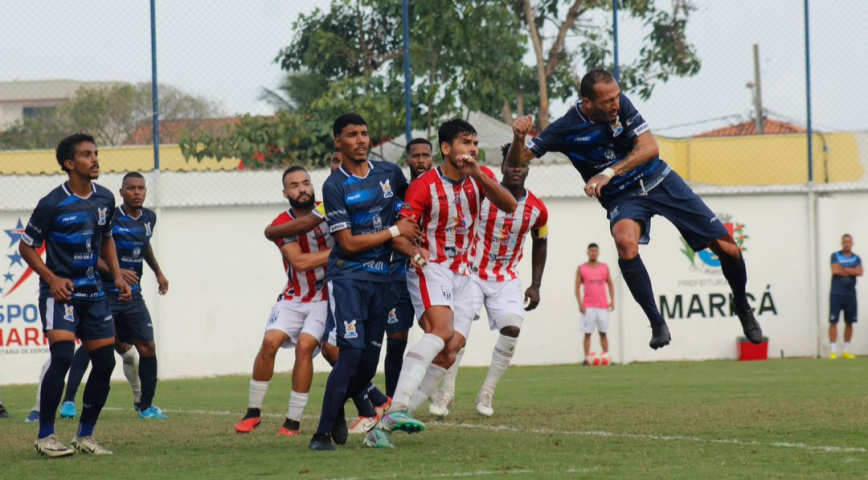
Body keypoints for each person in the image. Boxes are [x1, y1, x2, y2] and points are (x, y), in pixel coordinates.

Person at [507, 69, 763, 349]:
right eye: (607, 101)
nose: (615, 104)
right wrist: (519, 137)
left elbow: (650, 147)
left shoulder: (621, 105)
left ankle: (741, 303)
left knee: (730, 251)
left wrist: (609, 172)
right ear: (588, 103)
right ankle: (657, 323)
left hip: (660, 180)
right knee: (624, 242)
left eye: (616, 96)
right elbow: (518, 161)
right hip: (623, 197)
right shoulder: (565, 127)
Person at [366, 119, 517, 449]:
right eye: (465, 142)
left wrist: (477, 173)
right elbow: (399, 236)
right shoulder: (424, 186)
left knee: (449, 353)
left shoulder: (480, 177)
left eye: (475, 143)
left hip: (467, 274)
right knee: (442, 330)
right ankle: (401, 403)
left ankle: (385, 425)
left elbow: (510, 205)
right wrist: (414, 249)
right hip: (432, 268)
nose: (473, 149)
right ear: (447, 149)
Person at [309, 113, 419, 451]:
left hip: (383, 279)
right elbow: (348, 242)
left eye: (365, 133)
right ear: (338, 143)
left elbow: (406, 212)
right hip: (348, 278)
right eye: (352, 134)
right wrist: (395, 232)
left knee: (369, 363)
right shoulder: (334, 185)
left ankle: (337, 405)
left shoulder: (389, 173)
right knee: (351, 352)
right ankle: (321, 435)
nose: (361, 139)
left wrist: (413, 245)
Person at [20, 133, 131, 457]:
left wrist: (116, 274)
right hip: (61, 294)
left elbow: (107, 238)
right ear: (70, 164)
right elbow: (26, 246)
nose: (95, 159)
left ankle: (85, 436)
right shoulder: (51, 203)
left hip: (94, 292)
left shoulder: (106, 199)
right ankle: (45, 436)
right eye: (86, 154)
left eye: (96, 153)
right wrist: (52, 278)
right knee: (64, 357)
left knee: (105, 360)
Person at [429, 142, 548, 418]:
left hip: (505, 277)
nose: (517, 169)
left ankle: (487, 391)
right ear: (503, 166)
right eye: (512, 164)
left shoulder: (537, 209)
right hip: (470, 272)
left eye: (522, 165)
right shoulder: (482, 193)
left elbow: (541, 242)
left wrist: (536, 284)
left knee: (513, 328)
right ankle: (446, 391)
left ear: (528, 169)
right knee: (456, 336)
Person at [234, 166, 333, 437]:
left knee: (304, 347)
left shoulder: (330, 208)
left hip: (325, 297)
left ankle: (293, 422)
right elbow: (300, 263)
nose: (302, 189)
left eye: (306, 183)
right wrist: (339, 250)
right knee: (269, 343)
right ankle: (253, 412)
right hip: (293, 295)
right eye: (294, 185)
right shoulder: (281, 223)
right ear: (285, 192)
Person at [96, 172, 169, 419]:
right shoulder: (111, 218)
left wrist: (158, 271)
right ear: (122, 192)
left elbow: (144, 243)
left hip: (133, 295)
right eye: (131, 188)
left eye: (141, 188)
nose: (137, 192)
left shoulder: (150, 217)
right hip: (105, 294)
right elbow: (95, 253)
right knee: (104, 348)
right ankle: (68, 401)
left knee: (147, 345)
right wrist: (117, 273)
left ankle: (146, 406)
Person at [575, 243, 614, 364]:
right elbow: (577, 287)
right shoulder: (581, 268)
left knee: (603, 333)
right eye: (591, 251)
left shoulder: (604, 267)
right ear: (588, 253)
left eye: (595, 251)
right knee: (587, 333)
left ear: (598, 253)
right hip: (588, 306)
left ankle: (606, 357)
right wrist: (580, 303)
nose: (593, 253)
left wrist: (612, 300)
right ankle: (587, 359)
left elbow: (610, 284)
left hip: (602, 306)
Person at [829, 234, 861, 359]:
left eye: (849, 241)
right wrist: (851, 270)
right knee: (833, 321)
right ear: (841, 243)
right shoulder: (835, 256)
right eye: (845, 242)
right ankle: (833, 350)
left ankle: (846, 350)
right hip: (836, 293)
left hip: (850, 294)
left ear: (852, 243)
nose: (847, 244)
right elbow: (835, 271)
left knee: (849, 322)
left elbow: (860, 272)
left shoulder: (856, 258)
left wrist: (843, 268)